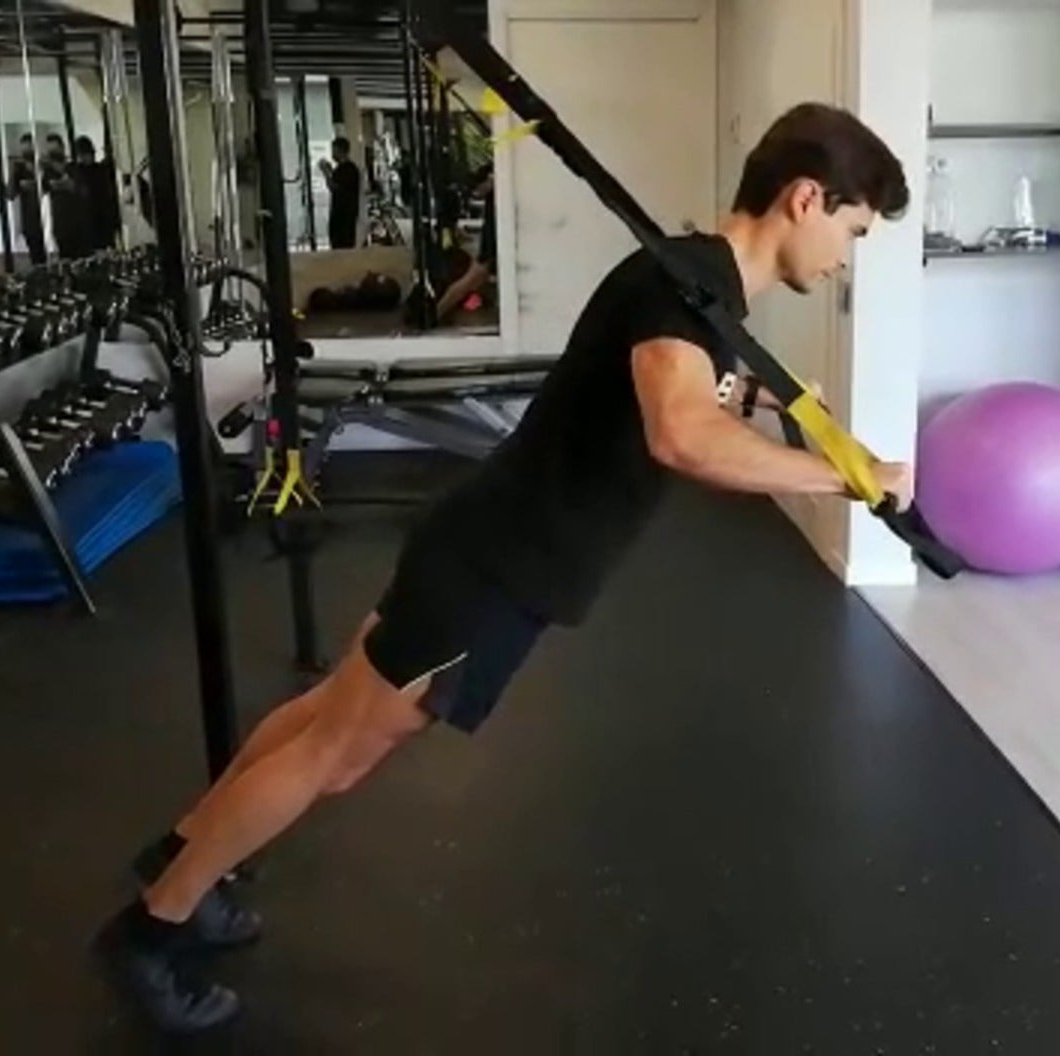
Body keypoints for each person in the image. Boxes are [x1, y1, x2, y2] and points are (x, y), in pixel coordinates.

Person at [92, 102, 915, 1033]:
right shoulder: (682, 287)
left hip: (488, 548)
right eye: (852, 231)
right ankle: (151, 929)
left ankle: (187, 859)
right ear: (806, 199)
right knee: (337, 755)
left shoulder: (700, 286)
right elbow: (682, 434)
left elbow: (692, 387)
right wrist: (849, 478)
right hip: (495, 570)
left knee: (327, 716)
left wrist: (760, 397)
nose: (846, 257)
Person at [435, 164, 497, 323]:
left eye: (478, 189)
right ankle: (436, 314)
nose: (478, 194)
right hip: (489, 254)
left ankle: (436, 314)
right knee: (467, 284)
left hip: (488, 254)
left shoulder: (495, 198)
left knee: (466, 284)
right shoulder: (495, 198)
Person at [7, 134, 48, 266]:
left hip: (47, 216)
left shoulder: (43, 166)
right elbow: (10, 195)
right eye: (24, 149)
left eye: (30, 148)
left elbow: (49, 187)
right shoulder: (19, 169)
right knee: (36, 258)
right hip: (30, 219)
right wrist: (13, 173)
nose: (27, 152)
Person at [322, 136, 362, 249]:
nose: (332, 154)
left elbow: (335, 187)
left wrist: (326, 173)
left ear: (340, 150)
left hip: (344, 215)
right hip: (343, 214)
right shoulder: (342, 169)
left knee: (342, 245)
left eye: (334, 150)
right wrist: (331, 171)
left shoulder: (349, 169)